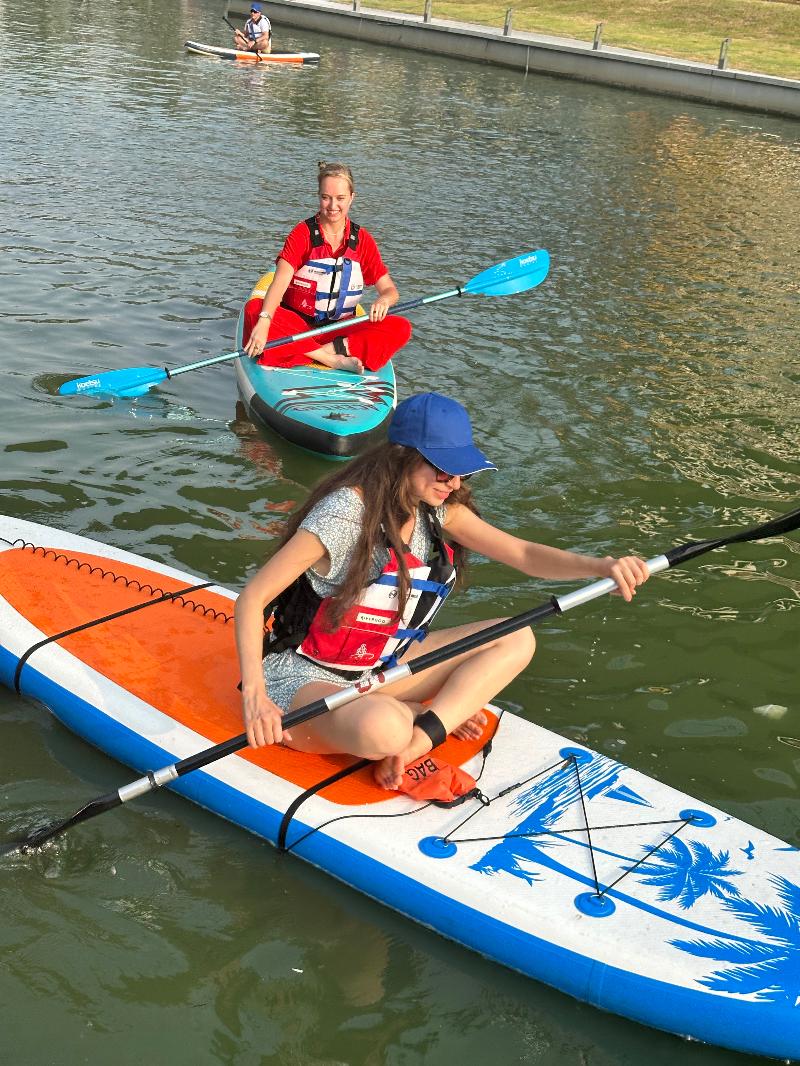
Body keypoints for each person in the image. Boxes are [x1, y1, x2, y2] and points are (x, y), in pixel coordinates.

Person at [235, 392, 650, 790]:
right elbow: (253, 598)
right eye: (443, 469)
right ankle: (410, 717)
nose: (453, 482)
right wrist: (255, 697)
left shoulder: (437, 510)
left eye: (461, 471)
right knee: (385, 728)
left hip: (379, 670)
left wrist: (600, 567)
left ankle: (417, 741)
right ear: (402, 455)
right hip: (304, 679)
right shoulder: (345, 514)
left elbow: (524, 554)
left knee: (517, 637)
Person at [241, 162, 412, 375]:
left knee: (401, 327)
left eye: (340, 198)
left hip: (338, 329)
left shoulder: (362, 240)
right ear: (318, 196)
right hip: (297, 326)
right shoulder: (302, 233)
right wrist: (265, 321)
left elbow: (390, 290)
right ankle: (329, 359)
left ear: (351, 198)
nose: (332, 206)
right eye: (326, 197)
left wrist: (384, 300)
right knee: (255, 309)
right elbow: (280, 282)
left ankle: (316, 351)